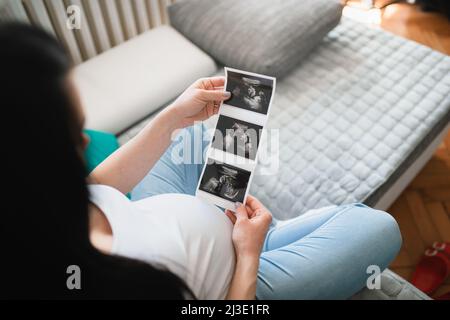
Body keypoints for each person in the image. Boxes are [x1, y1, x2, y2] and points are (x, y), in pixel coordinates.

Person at [1, 23, 402, 300]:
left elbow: (98, 191)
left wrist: (174, 115)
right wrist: (247, 255)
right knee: (377, 225)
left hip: (156, 216)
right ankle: (266, 238)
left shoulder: (36, 206)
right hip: (233, 280)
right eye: (75, 135)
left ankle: (254, 229)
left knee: (188, 134)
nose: (88, 141)